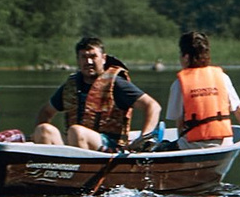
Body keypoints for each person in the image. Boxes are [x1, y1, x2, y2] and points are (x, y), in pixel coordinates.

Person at [34, 37, 162, 150]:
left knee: (76, 131)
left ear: (103, 58)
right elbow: (46, 112)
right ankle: (52, 171)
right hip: (75, 140)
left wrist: (144, 138)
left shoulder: (116, 83)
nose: (88, 62)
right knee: (43, 130)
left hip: (110, 144)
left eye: (93, 57)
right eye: (84, 57)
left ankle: (82, 171)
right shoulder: (71, 85)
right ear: (78, 60)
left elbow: (152, 106)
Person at [170, 31, 240, 144]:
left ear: (186, 57)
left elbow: (179, 122)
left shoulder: (179, 84)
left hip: (193, 145)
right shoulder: (222, 77)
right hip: (224, 143)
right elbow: (238, 109)